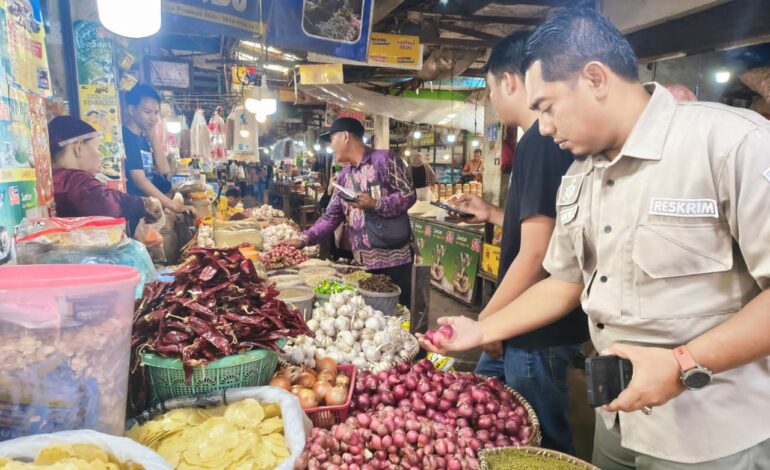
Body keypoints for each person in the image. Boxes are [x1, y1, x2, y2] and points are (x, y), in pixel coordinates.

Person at [419, 8, 770, 469]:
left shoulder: (731, 145)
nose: (542, 126)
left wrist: (683, 362)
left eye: (547, 106)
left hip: (706, 434)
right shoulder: (581, 175)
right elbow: (563, 282)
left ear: (595, 79)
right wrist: (483, 328)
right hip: (617, 418)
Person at [450, 31, 589, 454]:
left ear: (511, 81)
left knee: (539, 443)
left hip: (536, 331)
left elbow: (536, 253)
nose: (492, 98)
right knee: (502, 426)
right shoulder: (545, 143)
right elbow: (545, 231)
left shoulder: (538, 144)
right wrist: (494, 215)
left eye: (490, 88)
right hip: (531, 323)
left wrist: (486, 322)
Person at [286, 118, 416, 308]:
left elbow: (408, 195)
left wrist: (376, 204)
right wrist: (304, 239)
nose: (331, 146)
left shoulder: (385, 159)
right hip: (363, 264)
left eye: (332, 139)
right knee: (371, 319)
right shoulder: (345, 176)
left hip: (394, 260)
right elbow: (331, 216)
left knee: (399, 313)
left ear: (345, 136)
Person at [49, 115, 162, 226]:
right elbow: (106, 202)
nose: (101, 155)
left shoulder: (51, 179)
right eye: (98, 148)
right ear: (78, 148)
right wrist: (144, 204)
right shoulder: (74, 179)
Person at [122, 84, 192, 215]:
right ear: (131, 109)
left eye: (156, 113)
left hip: (147, 212)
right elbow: (140, 181)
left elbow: (164, 169)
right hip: (134, 214)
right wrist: (174, 206)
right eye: (147, 112)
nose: (153, 117)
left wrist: (152, 132)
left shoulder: (142, 138)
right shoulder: (127, 137)